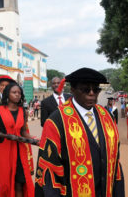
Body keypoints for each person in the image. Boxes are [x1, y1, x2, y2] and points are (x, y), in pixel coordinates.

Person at [35, 68, 125, 196]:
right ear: (72, 90)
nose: (92, 93)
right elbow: (50, 173)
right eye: (86, 89)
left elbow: (116, 163)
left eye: (96, 89)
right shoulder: (56, 121)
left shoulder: (107, 117)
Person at [0, 82, 35, 197]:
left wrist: (35, 139)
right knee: (6, 183)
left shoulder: (23, 112)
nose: (17, 95)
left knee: (20, 182)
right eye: (14, 92)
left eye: (19, 93)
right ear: (7, 94)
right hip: (5, 152)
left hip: (20, 152)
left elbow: (23, 132)